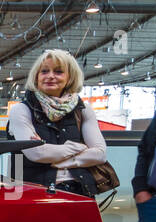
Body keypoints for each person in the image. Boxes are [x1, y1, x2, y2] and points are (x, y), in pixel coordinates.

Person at [8, 49, 108, 197]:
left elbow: (99, 154)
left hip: (80, 191)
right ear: (36, 77)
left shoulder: (83, 109)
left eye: (59, 72)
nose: (50, 76)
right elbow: (36, 153)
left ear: (70, 77)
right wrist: (78, 148)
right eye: (44, 71)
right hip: (32, 192)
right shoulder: (21, 110)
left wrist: (61, 160)